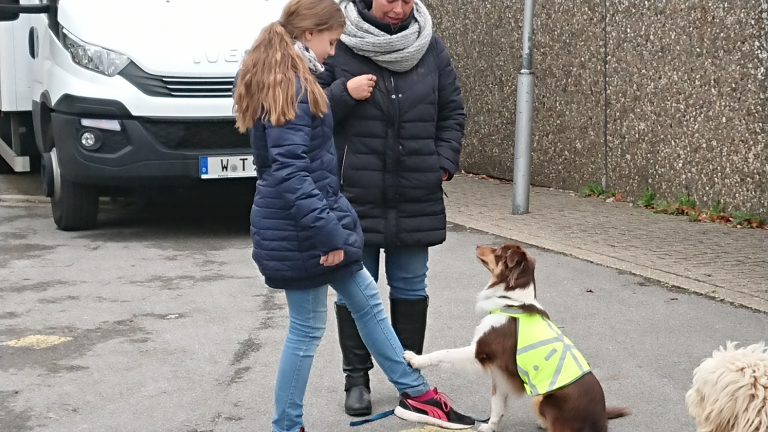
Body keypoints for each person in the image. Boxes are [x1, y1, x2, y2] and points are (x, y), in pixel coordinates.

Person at [233, 1, 474, 431]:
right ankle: (287, 426)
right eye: (330, 40)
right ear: (309, 34)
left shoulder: (293, 74)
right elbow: (288, 172)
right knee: (307, 330)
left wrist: (335, 224)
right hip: (303, 230)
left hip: (317, 220)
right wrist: (329, 235)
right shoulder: (290, 83)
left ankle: (417, 395)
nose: (334, 49)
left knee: (367, 302)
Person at [316, 0, 466, 416]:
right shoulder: (338, 44)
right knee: (355, 293)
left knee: (410, 288)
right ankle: (357, 380)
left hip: (415, 190)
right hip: (355, 194)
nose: (399, 8)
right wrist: (344, 93)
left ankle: (410, 385)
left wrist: (443, 163)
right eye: (389, 0)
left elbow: (452, 111)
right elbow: (311, 113)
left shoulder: (429, 46)